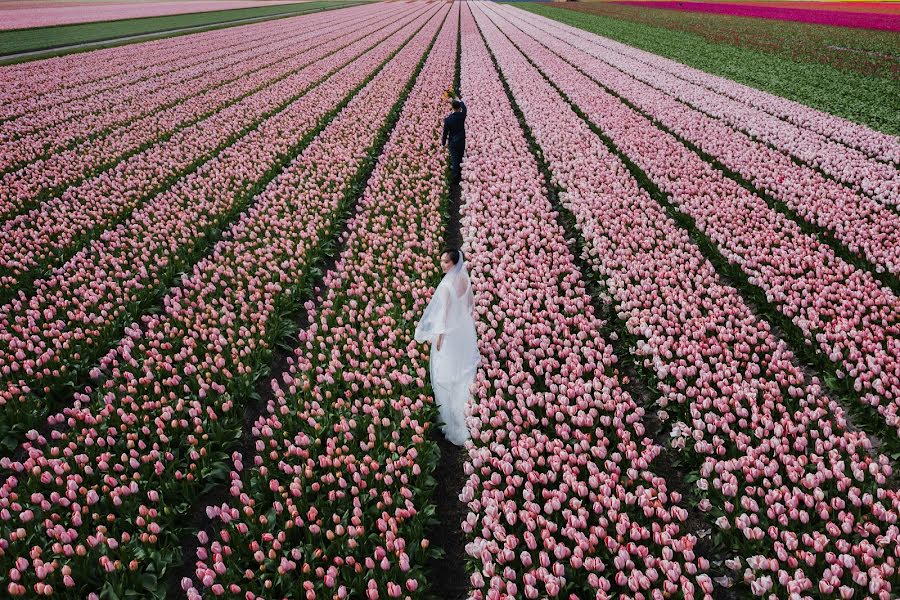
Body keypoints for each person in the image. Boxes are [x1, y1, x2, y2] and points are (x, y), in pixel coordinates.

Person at [415, 249, 480, 446]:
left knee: (445, 373)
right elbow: (470, 305)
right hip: (465, 331)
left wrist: (440, 337)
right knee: (463, 369)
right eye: (441, 261)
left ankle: (452, 420)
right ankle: (470, 412)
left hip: (450, 334)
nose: (442, 265)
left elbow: (443, 315)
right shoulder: (465, 279)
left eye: (446, 262)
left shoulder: (445, 286)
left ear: (454, 263)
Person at [441, 93, 466, 183]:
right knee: (460, 157)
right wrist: (459, 100)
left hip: (452, 142)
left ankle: (455, 178)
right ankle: (460, 174)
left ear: (452, 107)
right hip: (461, 141)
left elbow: (445, 133)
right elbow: (465, 108)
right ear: (459, 108)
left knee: (455, 159)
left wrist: (443, 143)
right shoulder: (462, 115)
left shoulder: (448, 119)